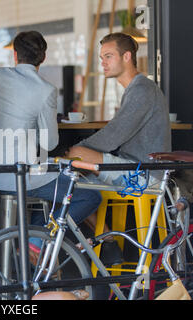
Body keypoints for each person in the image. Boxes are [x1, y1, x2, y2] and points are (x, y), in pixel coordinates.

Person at [0, 31, 102, 263]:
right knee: (90, 196)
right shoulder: (45, 90)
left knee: (56, 184)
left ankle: (31, 246)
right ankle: (36, 241)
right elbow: (50, 143)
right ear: (43, 57)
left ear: (14, 54)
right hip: (20, 178)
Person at [67, 32, 171, 262]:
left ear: (126, 57)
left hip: (145, 175)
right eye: (101, 57)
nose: (102, 62)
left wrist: (74, 151)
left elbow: (113, 136)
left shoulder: (142, 90)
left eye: (108, 56)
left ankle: (109, 242)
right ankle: (109, 241)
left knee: (75, 161)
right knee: (74, 186)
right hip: (133, 167)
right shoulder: (136, 89)